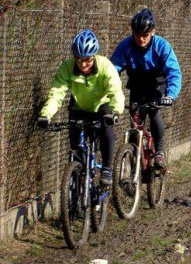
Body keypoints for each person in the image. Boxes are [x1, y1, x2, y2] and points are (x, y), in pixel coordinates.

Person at [37, 29, 125, 186]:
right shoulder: (67, 67)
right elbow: (56, 93)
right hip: (79, 109)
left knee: (107, 130)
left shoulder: (105, 66)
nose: (83, 64)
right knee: (77, 151)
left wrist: (115, 112)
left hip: (101, 108)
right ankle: (77, 187)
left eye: (88, 60)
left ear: (94, 56)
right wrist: (46, 115)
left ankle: (106, 168)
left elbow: (115, 91)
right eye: (78, 59)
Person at [110, 8, 182, 171]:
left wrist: (171, 94)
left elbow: (174, 71)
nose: (141, 39)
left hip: (157, 85)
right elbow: (113, 69)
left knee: (154, 112)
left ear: (152, 32)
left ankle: (159, 152)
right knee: (135, 122)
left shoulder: (162, 46)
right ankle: (137, 159)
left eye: (145, 35)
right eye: (137, 35)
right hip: (137, 85)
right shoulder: (126, 46)